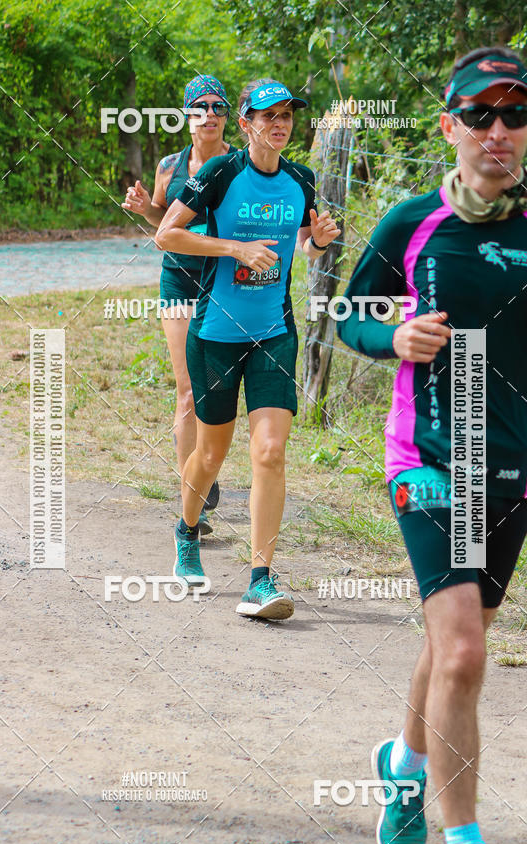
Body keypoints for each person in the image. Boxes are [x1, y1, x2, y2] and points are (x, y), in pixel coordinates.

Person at [337, 47, 527, 844]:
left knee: (452, 644)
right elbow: (346, 313)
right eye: (479, 114)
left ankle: (403, 764)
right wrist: (390, 336)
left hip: (513, 466)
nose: (497, 130)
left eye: (515, 113)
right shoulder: (411, 223)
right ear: (449, 126)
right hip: (429, 459)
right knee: (464, 650)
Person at [155, 78, 340, 619]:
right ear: (246, 123)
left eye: (287, 115)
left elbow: (304, 243)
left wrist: (319, 240)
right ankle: (187, 530)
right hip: (215, 333)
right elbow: (167, 234)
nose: (280, 124)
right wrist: (234, 247)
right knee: (210, 455)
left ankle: (261, 579)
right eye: (268, 115)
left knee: (270, 452)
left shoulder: (301, 179)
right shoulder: (220, 173)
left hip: (274, 333)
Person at [122, 74, 233, 534]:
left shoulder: (240, 165)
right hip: (179, 279)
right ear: (186, 116)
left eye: (218, 107)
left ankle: (205, 466)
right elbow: (162, 219)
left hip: (225, 281)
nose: (209, 115)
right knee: (187, 389)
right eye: (200, 107)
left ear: (227, 116)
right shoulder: (170, 166)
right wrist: (145, 207)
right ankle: (194, 499)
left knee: (217, 386)